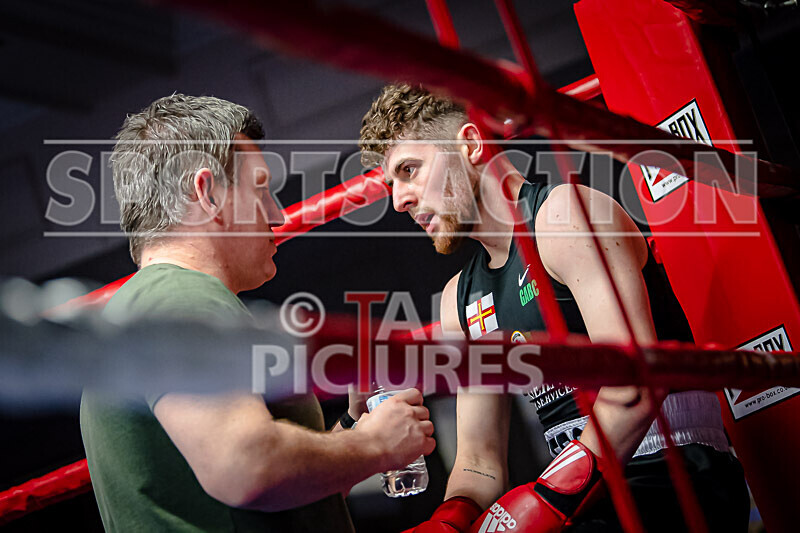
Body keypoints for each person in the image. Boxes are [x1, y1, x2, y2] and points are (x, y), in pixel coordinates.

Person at [359, 84, 749, 532]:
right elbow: (479, 458)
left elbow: (638, 385)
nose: (399, 199)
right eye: (392, 183)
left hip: (673, 470)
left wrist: (549, 498)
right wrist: (449, 523)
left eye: (410, 170)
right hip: (582, 494)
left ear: (469, 144)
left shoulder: (563, 216)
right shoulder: (460, 299)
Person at [80, 94, 435, 532]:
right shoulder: (178, 299)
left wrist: (351, 429)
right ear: (207, 193)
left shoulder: (146, 306)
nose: (277, 214)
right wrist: (376, 442)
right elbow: (246, 467)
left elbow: (277, 498)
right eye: (260, 188)